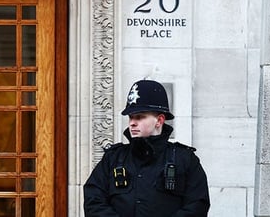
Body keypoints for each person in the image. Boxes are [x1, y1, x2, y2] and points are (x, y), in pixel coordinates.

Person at [83, 79, 210, 216]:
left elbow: (197, 205)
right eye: (131, 117)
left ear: (159, 120)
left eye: (139, 117)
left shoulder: (185, 159)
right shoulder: (113, 158)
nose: (132, 123)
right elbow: (93, 201)